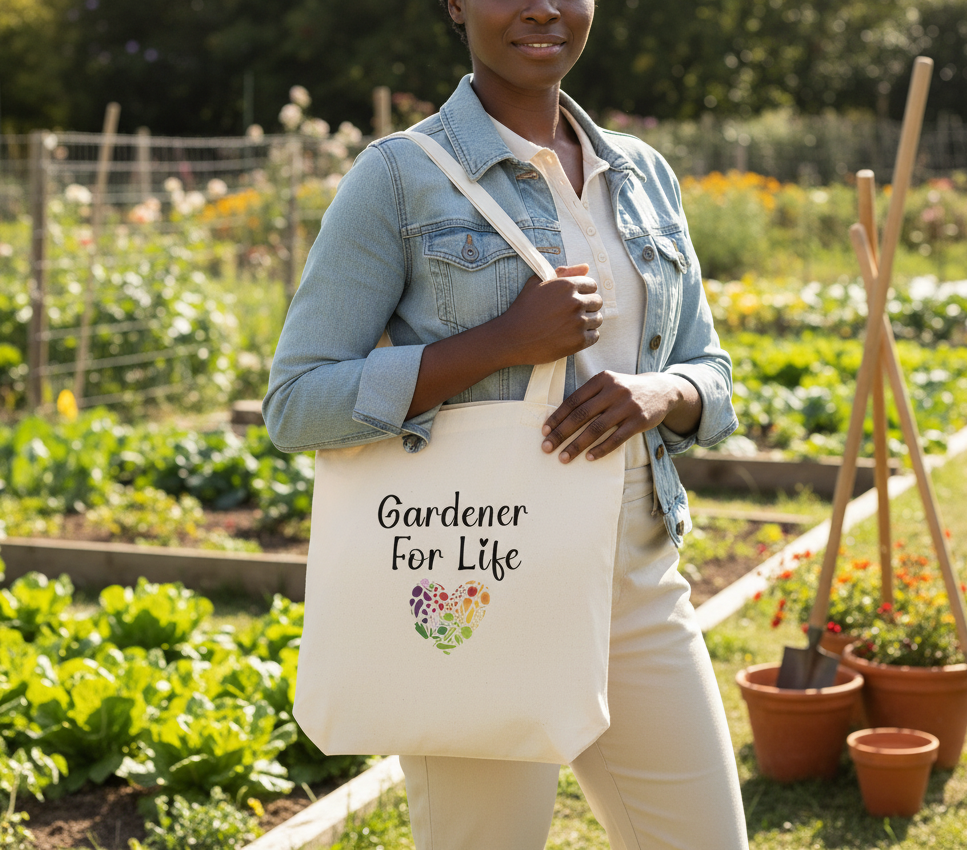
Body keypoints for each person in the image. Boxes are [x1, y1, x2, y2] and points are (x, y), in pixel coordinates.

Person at [264, 1, 748, 847]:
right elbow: (297, 401)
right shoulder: (397, 176)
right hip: (475, 570)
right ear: (456, 3)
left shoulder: (641, 173)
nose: (542, 7)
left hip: (635, 573)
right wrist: (502, 343)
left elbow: (709, 368)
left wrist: (660, 393)